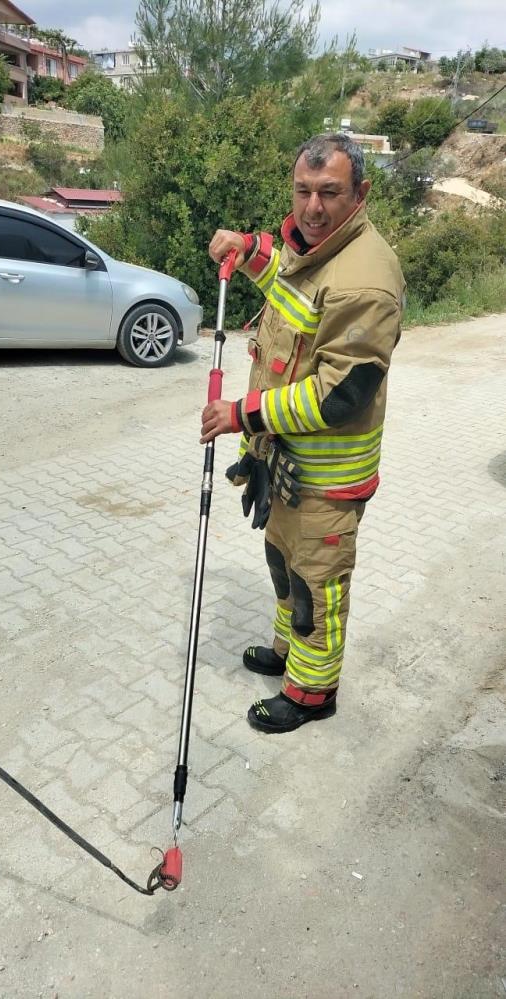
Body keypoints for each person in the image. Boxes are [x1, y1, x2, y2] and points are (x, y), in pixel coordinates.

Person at [201, 133, 405, 734]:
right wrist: (249, 248)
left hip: (327, 482)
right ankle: (290, 655)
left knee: (317, 589)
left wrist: (243, 414)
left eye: (330, 193)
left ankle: (313, 694)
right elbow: (288, 286)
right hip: (286, 471)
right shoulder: (318, 248)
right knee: (283, 563)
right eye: (303, 191)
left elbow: (340, 395)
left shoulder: (366, 279)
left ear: (360, 194)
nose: (312, 208)